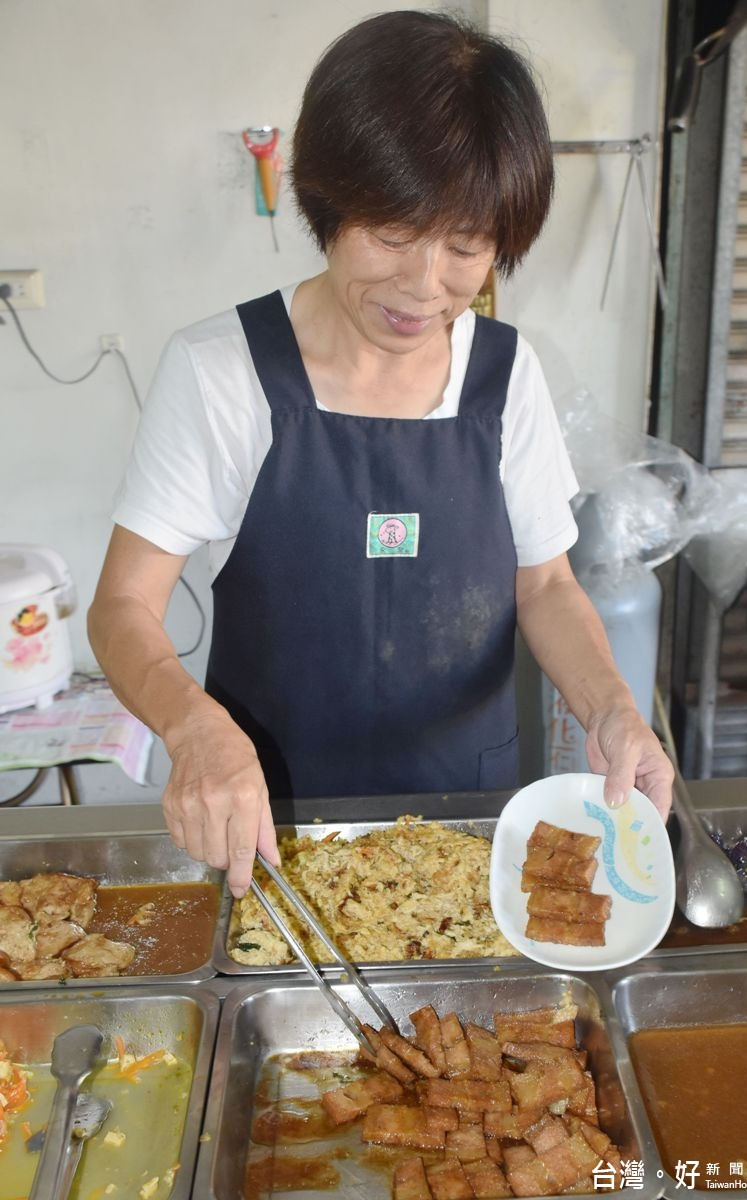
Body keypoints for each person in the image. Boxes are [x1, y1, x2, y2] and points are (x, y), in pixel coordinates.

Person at [88, 10, 673, 900]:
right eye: (394, 233)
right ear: (328, 197)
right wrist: (188, 726)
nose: (423, 285)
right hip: (270, 827)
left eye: (466, 247)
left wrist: (613, 708)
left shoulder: (505, 374)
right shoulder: (220, 371)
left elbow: (546, 586)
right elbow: (123, 605)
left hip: (467, 819)